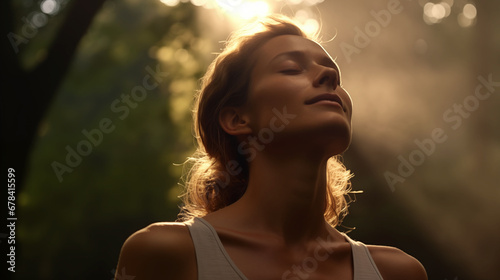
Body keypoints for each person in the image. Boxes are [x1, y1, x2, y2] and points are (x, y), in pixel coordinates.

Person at [115, 15, 427, 280]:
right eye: (292, 69)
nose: (330, 75)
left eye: (334, 74)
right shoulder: (165, 254)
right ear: (237, 119)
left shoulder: (397, 272)